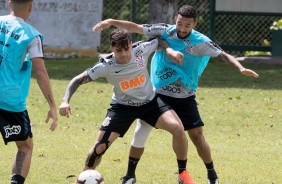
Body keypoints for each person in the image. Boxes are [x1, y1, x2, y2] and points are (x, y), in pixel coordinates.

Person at [92, 5, 259, 184]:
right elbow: (135, 27)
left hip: (185, 97)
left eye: (187, 25)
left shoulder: (200, 42)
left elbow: (223, 55)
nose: (182, 28)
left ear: (194, 24)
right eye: (180, 23)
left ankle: (212, 175)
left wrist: (240, 68)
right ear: (175, 20)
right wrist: (111, 22)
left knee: (196, 135)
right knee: (141, 130)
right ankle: (130, 175)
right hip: (158, 94)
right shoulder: (165, 30)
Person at [59, 28, 195, 184]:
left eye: (126, 48)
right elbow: (77, 79)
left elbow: (159, 40)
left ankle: (182, 174)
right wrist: (65, 100)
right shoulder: (106, 65)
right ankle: (84, 178)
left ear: (131, 44)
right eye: (118, 50)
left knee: (178, 128)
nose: (123, 54)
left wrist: (169, 50)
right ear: (112, 48)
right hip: (122, 107)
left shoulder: (141, 50)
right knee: (99, 148)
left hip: (150, 103)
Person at [0, 0, 58, 184]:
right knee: (25, 146)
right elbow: (40, 72)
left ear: (9, 3)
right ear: (31, 6)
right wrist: (52, 105)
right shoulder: (32, 36)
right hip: (10, 100)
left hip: (10, 99)